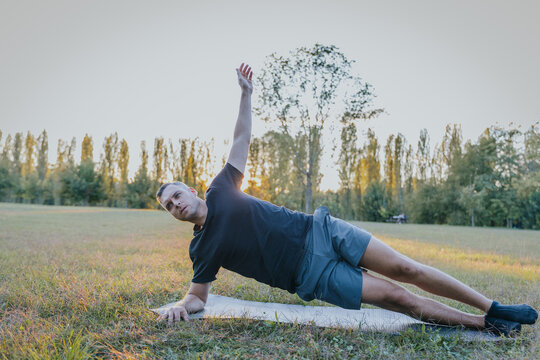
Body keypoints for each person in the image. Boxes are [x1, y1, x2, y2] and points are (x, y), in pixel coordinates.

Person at [155, 63, 537, 336]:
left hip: (320, 231)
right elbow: (197, 297)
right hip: (309, 275)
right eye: (169, 207)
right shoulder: (201, 248)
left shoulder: (221, 188)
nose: (176, 205)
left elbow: (241, 140)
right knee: (396, 297)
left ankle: (494, 307)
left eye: (175, 195)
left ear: (189, 188)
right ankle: (486, 325)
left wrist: (246, 94)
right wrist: (179, 305)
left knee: (406, 269)